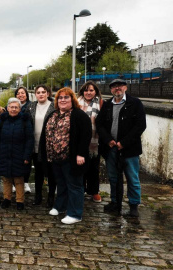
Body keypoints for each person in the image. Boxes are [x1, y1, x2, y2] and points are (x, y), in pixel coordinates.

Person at [96, 79, 146, 217]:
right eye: (114, 87)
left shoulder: (135, 103)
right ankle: (115, 202)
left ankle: (134, 205)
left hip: (129, 149)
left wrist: (123, 142)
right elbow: (99, 124)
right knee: (113, 177)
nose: (117, 89)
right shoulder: (107, 105)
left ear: (125, 87)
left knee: (132, 177)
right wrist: (108, 140)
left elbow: (140, 126)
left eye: (120, 86)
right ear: (111, 90)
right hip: (111, 148)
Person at [42, 87, 92, 224]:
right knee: (61, 184)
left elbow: (86, 135)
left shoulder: (78, 115)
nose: (62, 100)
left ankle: (75, 214)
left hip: (71, 158)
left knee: (74, 185)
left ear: (72, 99)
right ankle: (61, 206)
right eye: (60, 98)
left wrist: (81, 154)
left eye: (66, 97)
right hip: (55, 158)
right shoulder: (53, 114)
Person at [0, 98, 34, 210]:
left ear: (20, 109)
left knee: (19, 178)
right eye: (11, 107)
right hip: (4, 153)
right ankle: (7, 199)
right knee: (6, 178)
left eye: (16, 107)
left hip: (19, 154)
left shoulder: (25, 120)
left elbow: (30, 139)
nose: (13, 109)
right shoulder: (2, 119)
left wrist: (27, 156)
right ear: (7, 108)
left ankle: (20, 201)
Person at [25, 85, 56, 207]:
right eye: (38, 92)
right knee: (38, 172)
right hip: (35, 144)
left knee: (51, 172)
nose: (41, 94)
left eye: (44, 92)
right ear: (35, 94)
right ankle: (38, 196)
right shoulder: (31, 106)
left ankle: (51, 197)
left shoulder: (54, 106)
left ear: (48, 93)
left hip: (50, 145)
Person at [77, 81, 103, 203]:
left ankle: (94, 191)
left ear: (95, 92)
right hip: (80, 139)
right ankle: (80, 189)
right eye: (86, 90)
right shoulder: (76, 103)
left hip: (94, 141)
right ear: (82, 91)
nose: (88, 93)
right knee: (80, 167)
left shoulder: (101, 103)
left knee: (93, 167)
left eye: (91, 90)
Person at [14, 86, 32, 193]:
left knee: (27, 162)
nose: (20, 95)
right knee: (15, 161)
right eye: (18, 93)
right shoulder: (11, 106)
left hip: (27, 137)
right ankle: (14, 183)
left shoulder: (31, 106)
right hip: (16, 138)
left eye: (23, 93)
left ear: (26, 94)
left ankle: (25, 183)